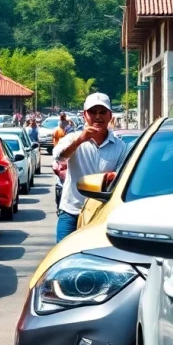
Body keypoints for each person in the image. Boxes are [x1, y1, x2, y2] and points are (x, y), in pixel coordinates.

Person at [53, 93, 128, 243]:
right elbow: (60, 157)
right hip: (72, 211)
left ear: (110, 115)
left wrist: (113, 176)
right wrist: (80, 140)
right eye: (93, 112)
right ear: (84, 115)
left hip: (104, 214)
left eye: (102, 112)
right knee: (64, 259)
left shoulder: (121, 147)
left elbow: (123, 177)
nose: (98, 117)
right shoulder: (71, 138)